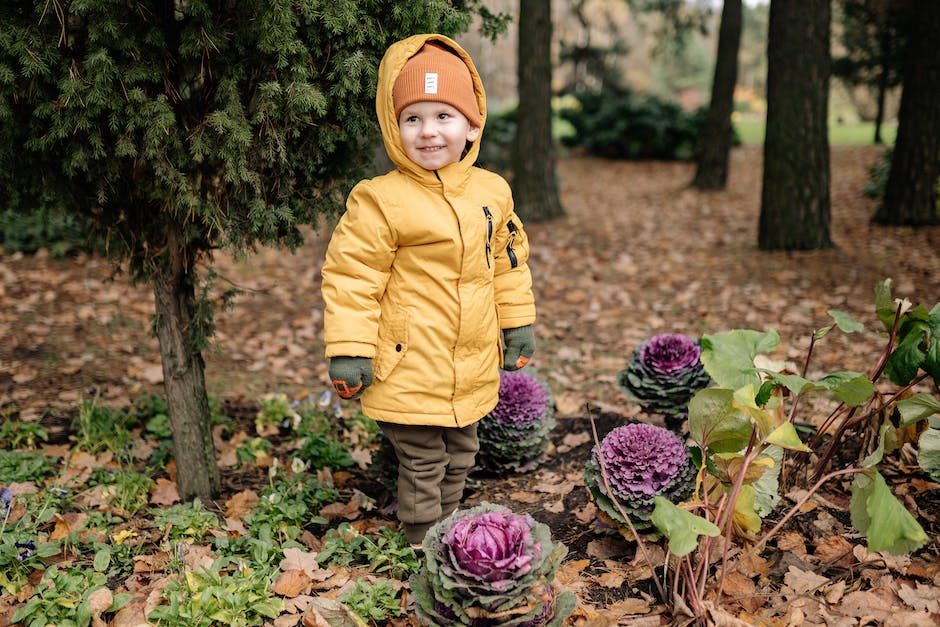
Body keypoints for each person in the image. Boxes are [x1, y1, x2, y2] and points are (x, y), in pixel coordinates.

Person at [320, 33, 537, 546]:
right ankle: (422, 540)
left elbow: (509, 262)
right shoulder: (380, 200)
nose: (429, 132)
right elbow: (352, 276)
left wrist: (518, 322)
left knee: (462, 451)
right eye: (413, 118)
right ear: (395, 128)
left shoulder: (491, 191)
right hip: (408, 361)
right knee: (423, 458)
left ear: (472, 124)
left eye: (444, 116)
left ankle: (450, 527)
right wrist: (350, 350)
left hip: (470, 360)